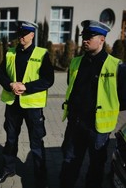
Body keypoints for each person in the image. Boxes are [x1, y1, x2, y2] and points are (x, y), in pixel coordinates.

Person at [60, 20, 126, 188]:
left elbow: (124, 100)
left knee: (96, 166)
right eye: (84, 36)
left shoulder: (117, 66)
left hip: (98, 129)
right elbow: (71, 88)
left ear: (102, 39)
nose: (85, 40)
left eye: (90, 36)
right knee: (69, 162)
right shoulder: (76, 62)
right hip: (75, 124)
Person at [0, 20, 54, 188]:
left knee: (36, 143)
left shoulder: (42, 54)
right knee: (11, 140)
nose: (20, 37)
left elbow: (48, 79)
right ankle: (8, 168)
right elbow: (1, 75)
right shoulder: (10, 53)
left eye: (24, 34)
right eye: (19, 34)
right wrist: (10, 85)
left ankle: (40, 177)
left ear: (32, 35)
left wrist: (26, 87)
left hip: (33, 107)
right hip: (13, 104)